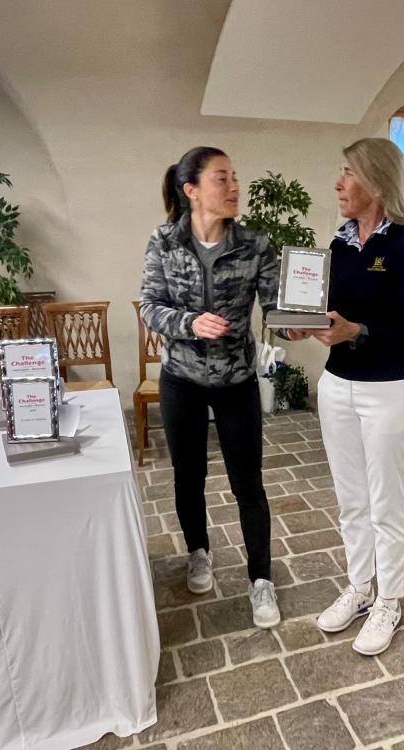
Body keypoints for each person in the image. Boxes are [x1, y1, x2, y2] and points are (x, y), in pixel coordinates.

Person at [293, 138, 404, 655]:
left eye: (348, 172)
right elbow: (328, 311)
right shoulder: (338, 244)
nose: (338, 183)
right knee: (351, 501)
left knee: (385, 505)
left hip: (390, 392)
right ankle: (359, 589)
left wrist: (357, 331)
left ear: (376, 181)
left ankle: (389, 602)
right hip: (338, 387)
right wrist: (303, 324)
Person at [140, 146, 281, 628]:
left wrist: (299, 323)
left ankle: (261, 579)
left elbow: (275, 307)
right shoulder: (164, 242)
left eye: (235, 177)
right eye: (222, 178)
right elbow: (150, 306)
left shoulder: (255, 245)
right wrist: (189, 323)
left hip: (236, 380)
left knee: (249, 484)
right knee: (188, 475)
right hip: (180, 378)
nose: (235, 186)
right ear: (192, 190)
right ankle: (198, 552)